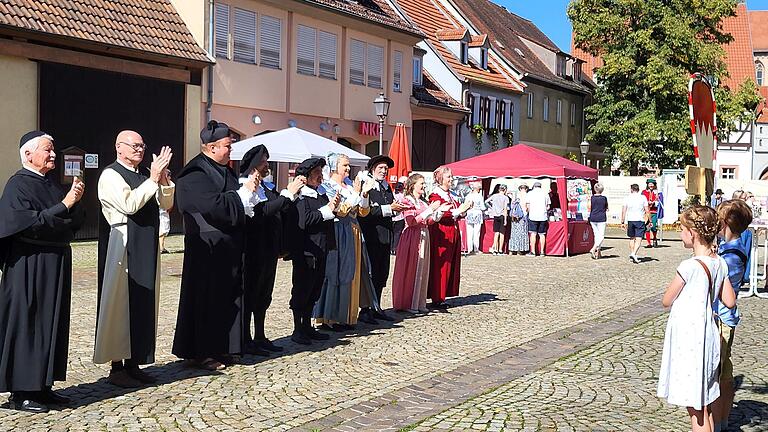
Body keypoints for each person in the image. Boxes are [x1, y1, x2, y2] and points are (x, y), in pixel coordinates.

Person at [0, 131, 85, 412]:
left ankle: (43, 385)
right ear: (28, 155)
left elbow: (70, 221)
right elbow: (28, 223)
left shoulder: (49, 184)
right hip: (29, 263)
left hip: (55, 260)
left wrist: (72, 205)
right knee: (29, 323)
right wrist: (65, 205)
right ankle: (21, 391)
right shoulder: (17, 185)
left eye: (53, 150)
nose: (52, 155)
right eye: (47, 150)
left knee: (52, 322)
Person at [172, 120, 258, 371]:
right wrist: (241, 197)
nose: (231, 150)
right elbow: (212, 206)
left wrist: (246, 201)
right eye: (227, 146)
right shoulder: (195, 173)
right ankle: (201, 351)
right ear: (210, 147)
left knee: (228, 297)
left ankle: (226, 347)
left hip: (229, 246)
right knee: (206, 299)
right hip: (206, 247)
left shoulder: (226, 171)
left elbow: (233, 202)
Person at [95, 131, 174, 388]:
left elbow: (166, 204)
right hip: (123, 247)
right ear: (119, 147)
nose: (140, 149)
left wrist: (163, 181)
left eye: (142, 145)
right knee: (121, 305)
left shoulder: (142, 176)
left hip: (145, 244)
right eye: (135, 145)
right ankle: (117, 366)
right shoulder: (110, 174)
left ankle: (134, 362)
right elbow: (129, 204)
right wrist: (152, 179)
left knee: (142, 302)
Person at [657, 205, 736, 432]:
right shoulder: (719, 262)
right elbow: (729, 301)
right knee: (704, 403)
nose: (680, 233)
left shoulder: (689, 266)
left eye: (682, 229)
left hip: (689, 337)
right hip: (708, 334)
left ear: (692, 233)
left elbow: (666, 299)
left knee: (696, 408)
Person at [240, 145, 305, 355]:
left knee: (264, 295)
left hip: (269, 249)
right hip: (252, 250)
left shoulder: (266, 188)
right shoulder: (244, 187)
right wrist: (287, 194)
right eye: (263, 161)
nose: (267, 165)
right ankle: (245, 338)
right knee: (250, 294)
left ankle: (260, 334)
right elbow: (264, 211)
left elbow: (280, 209)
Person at [314, 153, 381, 328]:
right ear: (335, 167)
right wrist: (358, 193)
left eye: (348, 165)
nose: (348, 168)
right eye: (345, 165)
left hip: (354, 231)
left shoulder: (350, 185)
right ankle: (331, 316)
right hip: (338, 231)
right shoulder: (327, 187)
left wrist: (364, 195)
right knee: (338, 272)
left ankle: (348, 315)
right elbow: (340, 210)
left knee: (353, 273)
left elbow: (363, 212)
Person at [286, 157, 339, 345]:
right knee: (302, 288)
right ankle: (298, 328)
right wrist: (328, 210)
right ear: (306, 176)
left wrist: (334, 208)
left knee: (315, 288)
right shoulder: (302, 196)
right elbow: (305, 220)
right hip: (306, 250)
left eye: (321, 172)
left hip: (321, 247)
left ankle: (307, 326)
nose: (320, 176)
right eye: (317, 173)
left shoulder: (319, 194)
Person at [711, 200, 752, 432]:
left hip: (722, 318)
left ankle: (718, 422)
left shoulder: (732, 254)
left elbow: (720, 286)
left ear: (725, 223)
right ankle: (722, 421)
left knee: (718, 375)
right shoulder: (730, 248)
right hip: (725, 316)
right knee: (725, 372)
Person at [358, 155, 406, 323]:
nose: (384, 171)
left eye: (386, 169)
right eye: (381, 168)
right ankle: (365, 310)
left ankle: (376, 306)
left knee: (381, 273)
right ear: (372, 169)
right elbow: (365, 213)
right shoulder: (367, 185)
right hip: (372, 235)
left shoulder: (386, 187)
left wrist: (397, 209)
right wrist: (389, 209)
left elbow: (389, 207)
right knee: (370, 273)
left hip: (385, 235)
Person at [391, 174, 445, 312]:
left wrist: (438, 214)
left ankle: (418, 302)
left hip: (423, 235)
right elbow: (411, 222)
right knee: (412, 268)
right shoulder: (407, 201)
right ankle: (408, 302)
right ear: (413, 185)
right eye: (421, 183)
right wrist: (430, 210)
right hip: (412, 237)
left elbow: (428, 221)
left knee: (422, 268)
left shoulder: (422, 202)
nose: (424, 186)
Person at [427, 166, 472, 309]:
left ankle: (443, 294)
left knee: (450, 264)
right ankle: (437, 297)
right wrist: (460, 210)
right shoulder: (435, 195)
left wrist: (465, 209)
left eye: (451, 177)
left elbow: (457, 210)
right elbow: (442, 213)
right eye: (449, 177)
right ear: (441, 179)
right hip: (441, 232)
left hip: (452, 230)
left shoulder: (451, 194)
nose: (451, 180)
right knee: (441, 263)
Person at [621, 184, 649, 264]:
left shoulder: (627, 198)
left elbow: (624, 210)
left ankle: (633, 253)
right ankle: (633, 253)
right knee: (639, 238)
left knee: (632, 238)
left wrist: (622, 221)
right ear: (638, 189)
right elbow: (647, 210)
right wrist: (649, 220)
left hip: (630, 220)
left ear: (631, 189)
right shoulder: (643, 197)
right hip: (640, 220)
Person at [525, 182, 550, 256]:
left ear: (534, 186)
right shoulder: (545, 193)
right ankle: (542, 251)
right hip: (543, 216)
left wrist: (529, 212)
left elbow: (528, 205)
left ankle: (533, 251)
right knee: (542, 234)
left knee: (533, 234)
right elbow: (548, 206)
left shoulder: (530, 193)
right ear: (540, 186)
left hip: (533, 216)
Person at [485, 184, 509, 255]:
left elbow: (486, 201)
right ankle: (500, 250)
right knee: (502, 233)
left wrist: (492, 207)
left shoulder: (494, 196)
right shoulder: (505, 198)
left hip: (495, 215)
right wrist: (505, 219)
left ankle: (495, 249)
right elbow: (505, 209)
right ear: (505, 190)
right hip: (502, 215)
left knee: (496, 233)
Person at [464, 182, 486, 254]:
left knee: (469, 232)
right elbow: (483, 207)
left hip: (469, 213)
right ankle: (476, 249)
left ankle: (470, 249)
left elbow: (465, 205)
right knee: (476, 233)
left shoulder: (468, 196)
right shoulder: (479, 196)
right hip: (477, 214)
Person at [508, 184, 530, 255]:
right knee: (522, 233)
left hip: (515, 217)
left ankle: (512, 248)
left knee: (514, 233)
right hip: (523, 216)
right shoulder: (527, 195)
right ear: (526, 188)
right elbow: (527, 207)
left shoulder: (516, 195)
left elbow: (512, 206)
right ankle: (520, 249)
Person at [589, 183, 608, 259]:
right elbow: (606, 207)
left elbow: (589, 207)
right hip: (601, 218)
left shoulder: (591, 198)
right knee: (601, 236)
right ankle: (594, 249)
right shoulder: (604, 198)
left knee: (596, 235)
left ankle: (598, 252)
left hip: (593, 217)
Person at [391, 176, 408, 254]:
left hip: (393, 217)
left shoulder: (394, 193)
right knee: (397, 233)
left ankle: (392, 248)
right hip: (399, 217)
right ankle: (394, 248)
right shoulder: (403, 195)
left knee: (393, 233)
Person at [642, 179, 661, 248]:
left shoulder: (657, 192)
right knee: (647, 228)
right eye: (649, 184)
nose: (651, 185)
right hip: (646, 212)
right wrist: (647, 202)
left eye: (652, 184)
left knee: (653, 227)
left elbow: (660, 202)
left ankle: (655, 238)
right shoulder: (644, 192)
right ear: (647, 185)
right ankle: (648, 243)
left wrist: (655, 201)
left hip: (654, 211)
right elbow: (642, 200)